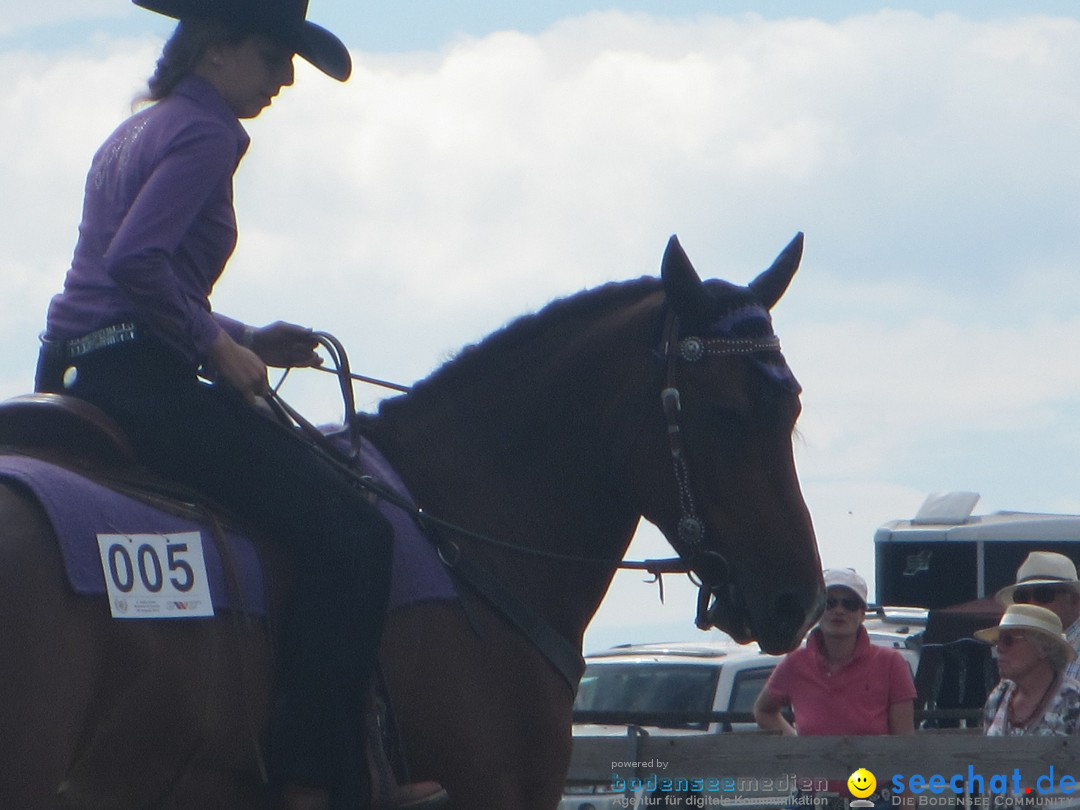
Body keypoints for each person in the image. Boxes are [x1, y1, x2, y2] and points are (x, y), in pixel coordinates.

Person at [35, 2, 445, 808]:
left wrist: (246, 331)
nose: (285, 78)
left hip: (74, 365)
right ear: (216, 51)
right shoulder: (207, 133)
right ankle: (318, 780)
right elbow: (138, 263)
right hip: (139, 375)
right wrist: (213, 348)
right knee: (354, 534)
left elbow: (128, 283)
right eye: (270, 57)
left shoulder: (138, 129)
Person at [753, 568, 917, 735]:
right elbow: (763, 711)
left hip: (874, 762)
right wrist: (796, 743)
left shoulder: (891, 663)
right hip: (812, 762)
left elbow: (904, 740)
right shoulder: (794, 663)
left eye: (849, 604)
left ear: (862, 614)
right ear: (816, 611)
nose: (839, 610)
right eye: (829, 603)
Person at [977, 603, 1080, 735]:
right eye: (997, 641)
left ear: (1044, 647)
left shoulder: (1074, 702)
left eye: (1008, 640)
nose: (999, 648)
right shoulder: (998, 696)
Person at [995, 551, 1080, 683]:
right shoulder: (1020, 650)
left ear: (1075, 600)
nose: (1031, 604)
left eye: (1043, 594)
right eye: (1022, 597)